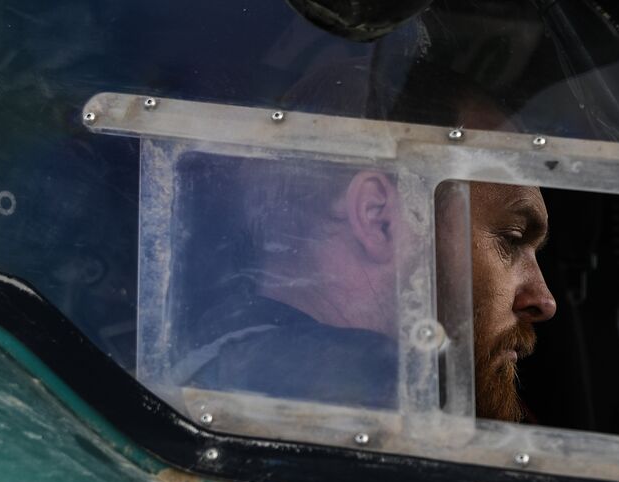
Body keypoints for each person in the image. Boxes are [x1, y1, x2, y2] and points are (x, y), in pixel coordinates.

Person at [175, 63, 557, 422]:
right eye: (511, 239)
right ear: (379, 217)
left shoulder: (198, 369)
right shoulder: (381, 407)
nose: (544, 300)